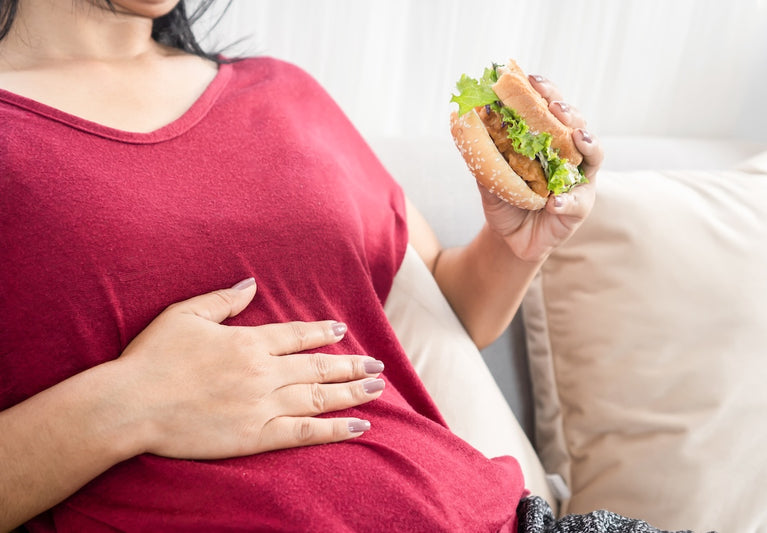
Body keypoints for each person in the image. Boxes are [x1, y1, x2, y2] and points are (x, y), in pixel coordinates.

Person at [0, 1, 676, 532]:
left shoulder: (281, 91)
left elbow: (445, 310)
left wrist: (515, 246)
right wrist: (132, 402)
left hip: (491, 515)